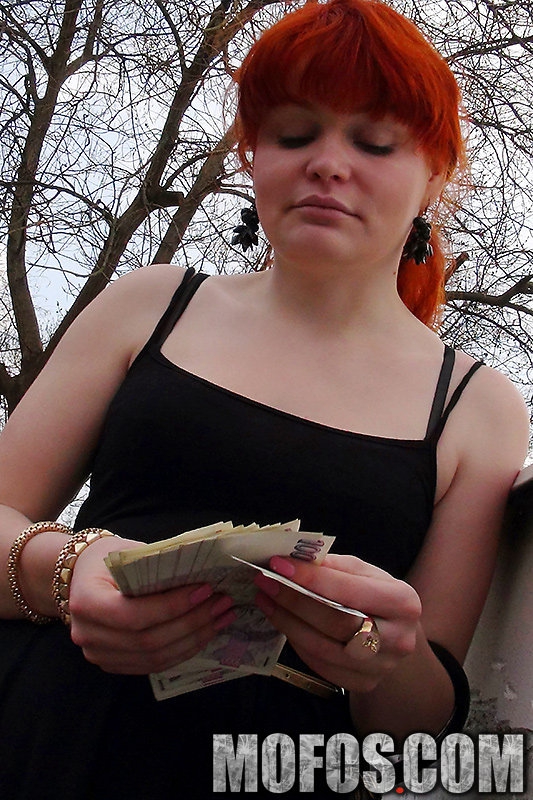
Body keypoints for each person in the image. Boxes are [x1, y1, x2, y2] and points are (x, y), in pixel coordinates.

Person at [0, 0, 528, 797]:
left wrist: (390, 653)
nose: (327, 163)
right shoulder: (149, 304)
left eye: (374, 141)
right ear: (252, 159)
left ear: (433, 174)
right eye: (293, 134)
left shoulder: (475, 407)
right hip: (40, 740)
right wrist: (67, 568)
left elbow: (416, 725)